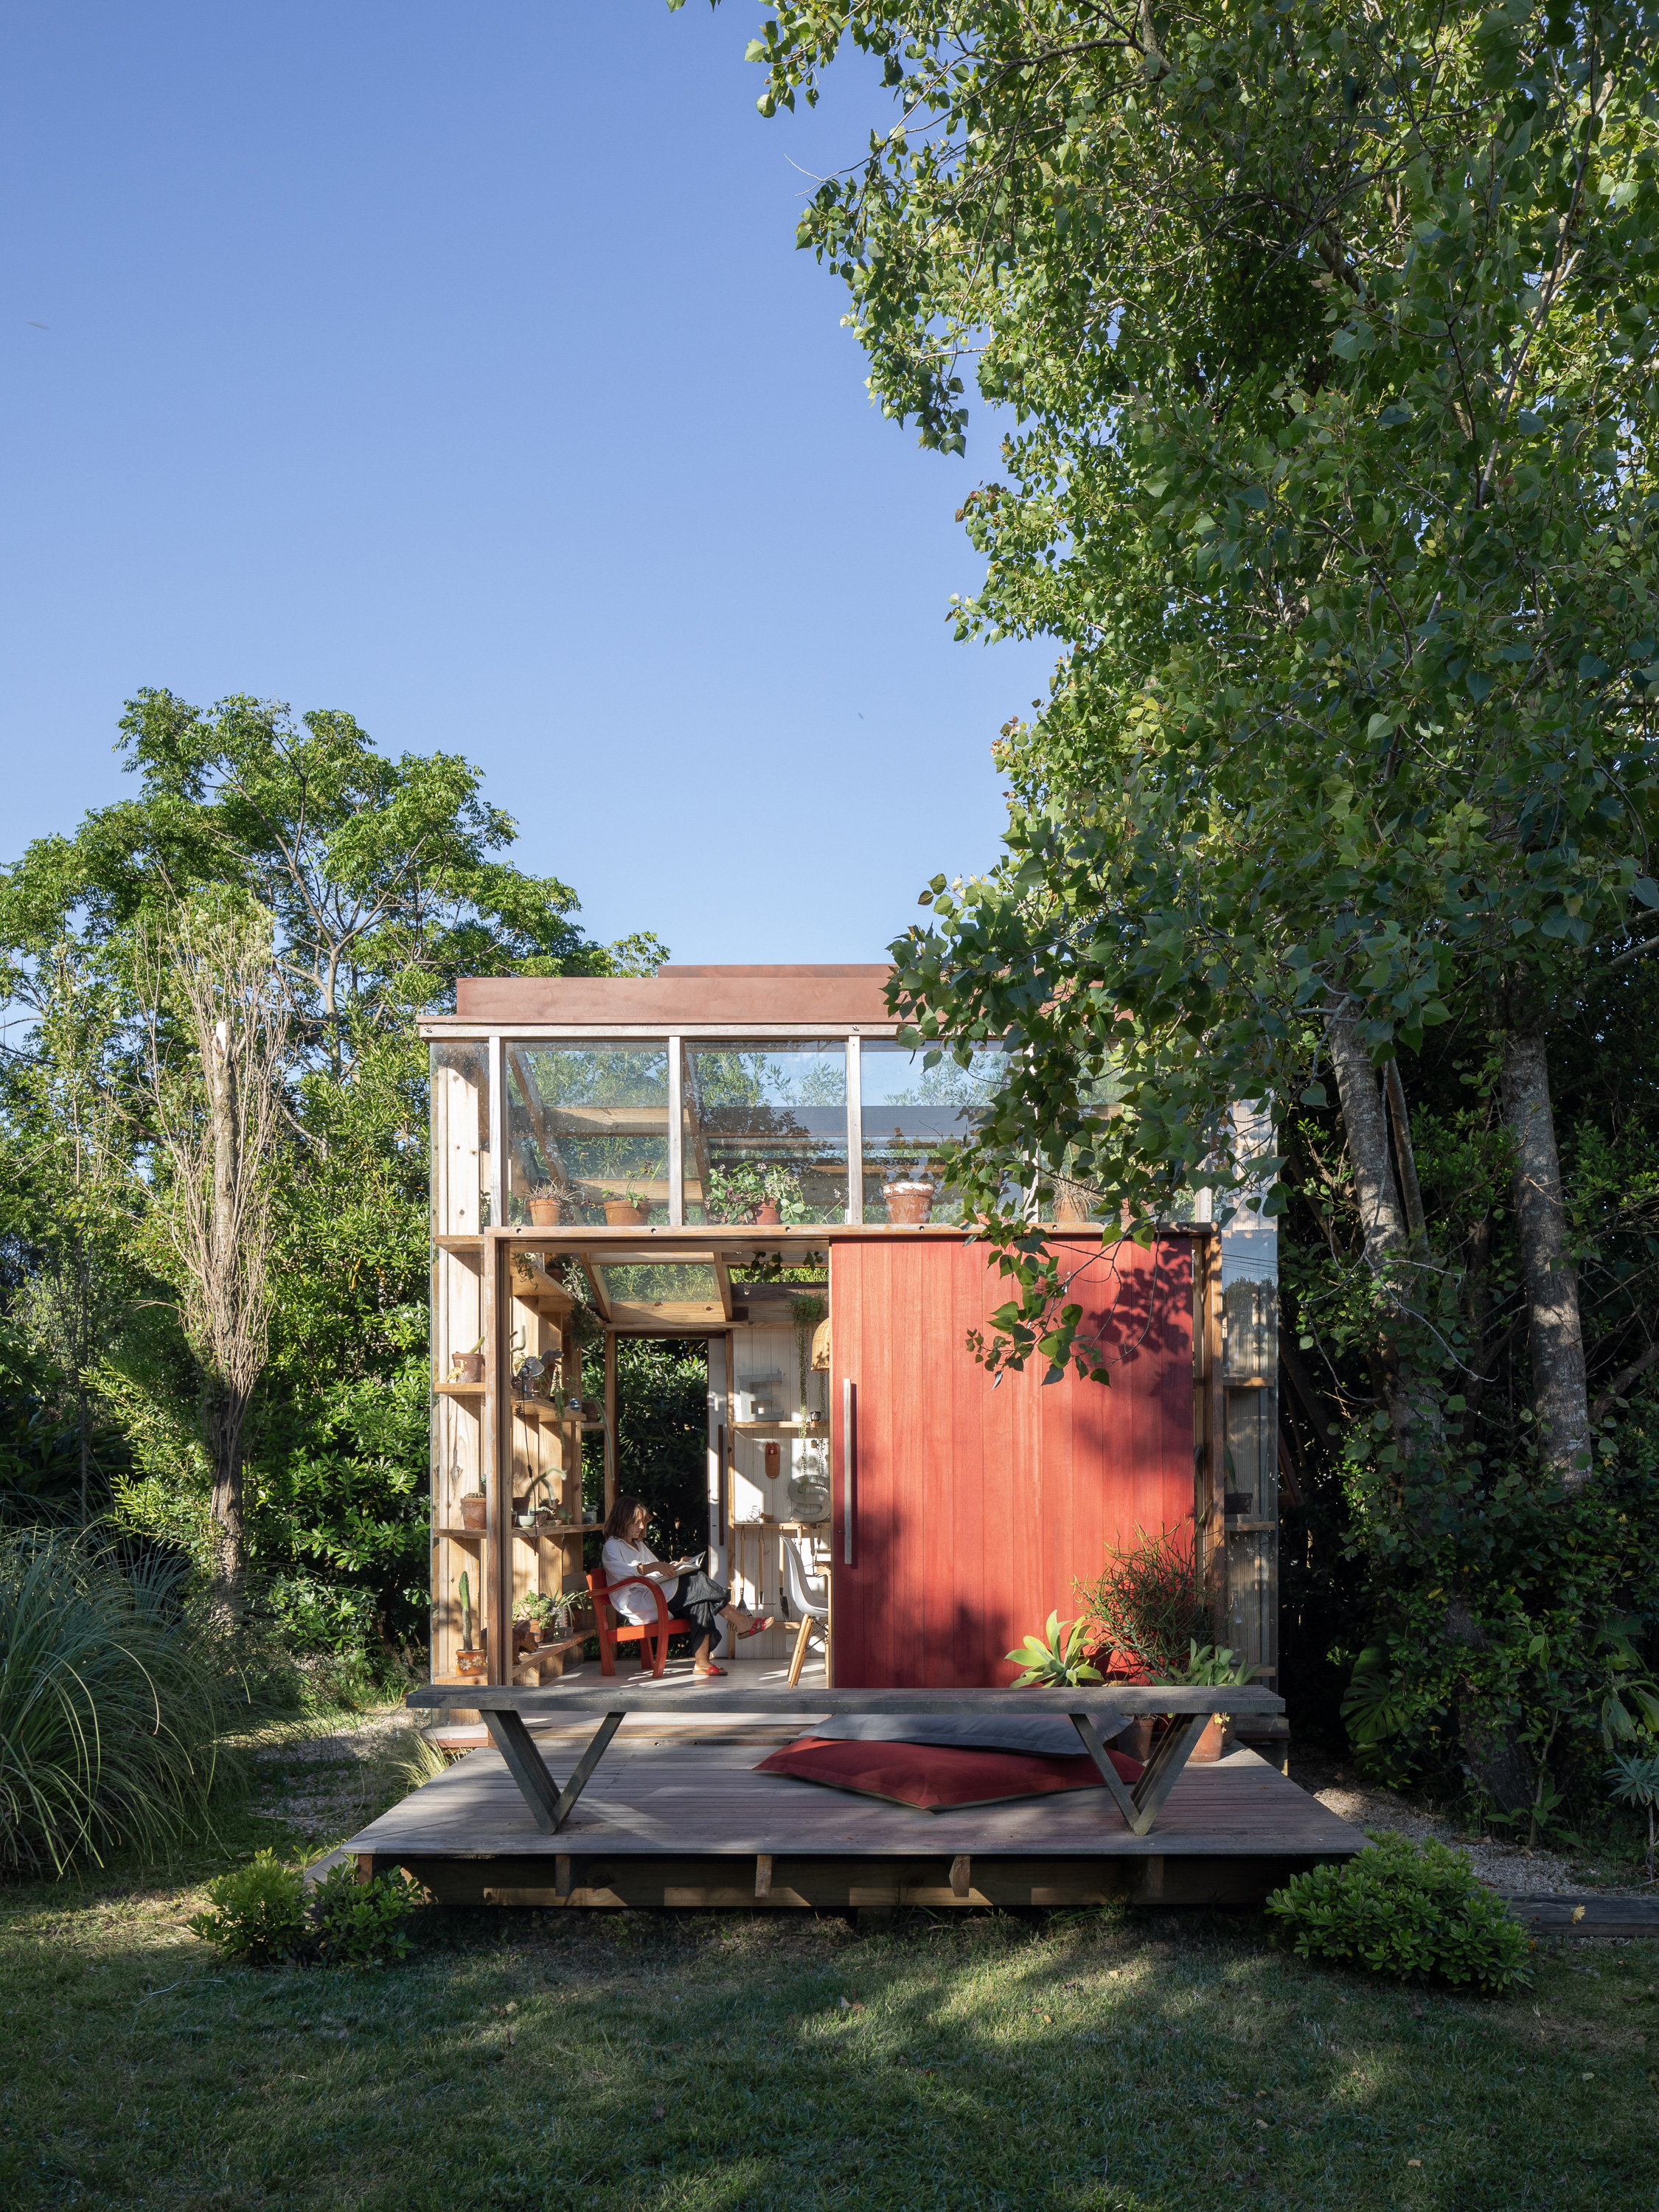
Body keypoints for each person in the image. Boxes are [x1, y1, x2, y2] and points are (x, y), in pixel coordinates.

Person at [599, 1494, 773, 1678]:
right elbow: (625, 1571)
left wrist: (677, 1565)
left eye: (643, 1522)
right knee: (697, 1580)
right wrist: (656, 1567)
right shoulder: (612, 1547)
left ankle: (702, 1663)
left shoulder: (638, 1545)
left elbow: (655, 1571)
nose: (642, 1526)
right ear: (622, 1520)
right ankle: (741, 1622)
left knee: (701, 1601)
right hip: (638, 1603)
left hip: (654, 1593)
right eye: (636, 1522)